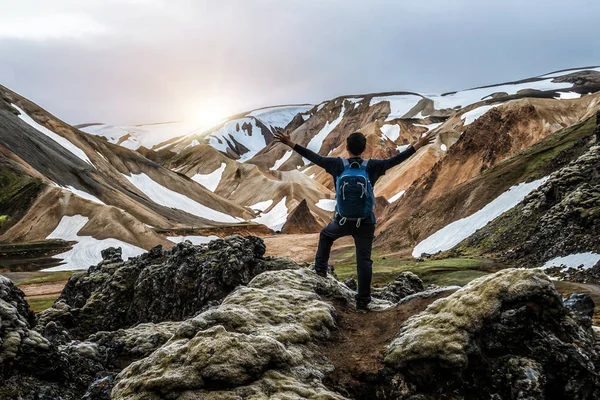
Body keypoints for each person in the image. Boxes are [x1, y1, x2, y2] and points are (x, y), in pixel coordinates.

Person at [274, 128, 436, 311]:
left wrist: (290, 143)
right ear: (365, 148)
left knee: (326, 235)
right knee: (364, 260)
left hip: (342, 221)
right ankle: (362, 302)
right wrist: (418, 145)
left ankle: (320, 271)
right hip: (365, 222)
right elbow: (395, 160)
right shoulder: (372, 166)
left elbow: (313, 157)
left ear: (346, 147)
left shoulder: (337, 165)